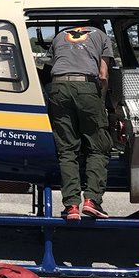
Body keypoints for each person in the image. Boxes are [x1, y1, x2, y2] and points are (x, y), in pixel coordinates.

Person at [46, 21, 112, 220]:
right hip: (85, 87)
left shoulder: (60, 36)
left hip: (58, 88)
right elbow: (103, 74)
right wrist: (103, 103)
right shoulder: (101, 35)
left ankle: (72, 206)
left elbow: (47, 68)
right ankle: (92, 200)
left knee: (67, 149)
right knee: (99, 146)